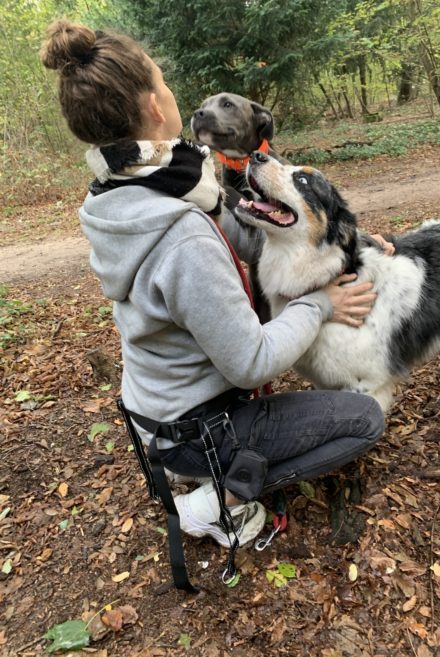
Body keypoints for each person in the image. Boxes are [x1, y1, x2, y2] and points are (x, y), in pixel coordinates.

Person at [40, 20, 386, 552]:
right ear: (156, 107)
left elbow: (256, 237)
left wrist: (350, 244)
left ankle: (211, 471)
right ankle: (215, 503)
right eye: (164, 81)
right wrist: (321, 303)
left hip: (158, 408)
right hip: (197, 427)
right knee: (364, 420)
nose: (176, 94)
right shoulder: (181, 233)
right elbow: (251, 362)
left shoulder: (124, 193)